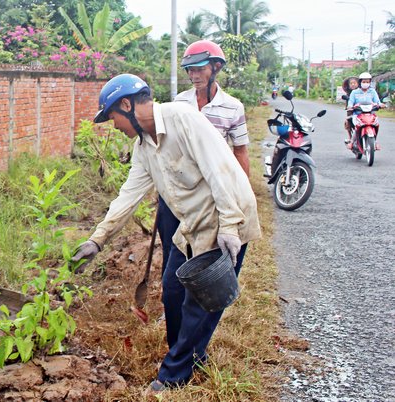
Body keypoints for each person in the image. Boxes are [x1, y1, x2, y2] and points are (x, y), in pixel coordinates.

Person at [71, 74, 261, 391]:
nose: (113, 125)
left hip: (225, 215)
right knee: (172, 290)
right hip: (191, 225)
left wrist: (230, 225)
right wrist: (97, 239)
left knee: (201, 301)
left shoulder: (183, 119)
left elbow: (220, 171)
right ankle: (188, 352)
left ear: (127, 104)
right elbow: (128, 195)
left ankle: (174, 374)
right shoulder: (143, 146)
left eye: (112, 117)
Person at [158, 40, 251, 282]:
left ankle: (202, 288)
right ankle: (172, 291)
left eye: (200, 69)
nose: (194, 75)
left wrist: (242, 193)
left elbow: (240, 151)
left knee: (205, 246)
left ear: (216, 67)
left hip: (211, 191)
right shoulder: (179, 102)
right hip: (180, 188)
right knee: (171, 243)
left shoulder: (232, 107)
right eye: (190, 70)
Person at [347, 72, 386, 149]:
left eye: (367, 82)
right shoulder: (355, 92)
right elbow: (350, 102)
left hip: (370, 114)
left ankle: (375, 142)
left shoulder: (372, 92)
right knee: (357, 126)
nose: (366, 83)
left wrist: (380, 105)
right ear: (360, 82)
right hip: (357, 114)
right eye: (364, 82)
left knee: (376, 125)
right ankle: (352, 142)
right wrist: (350, 106)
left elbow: (377, 101)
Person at [342, 76, 359, 145]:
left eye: (354, 83)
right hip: (351, 112)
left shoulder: (361, 92)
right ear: (349, 85)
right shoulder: (348, 94)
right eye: (351, 83)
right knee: (348, 123)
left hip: (361, 111)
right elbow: (347, 104)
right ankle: (350, 137)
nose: (353, 84)